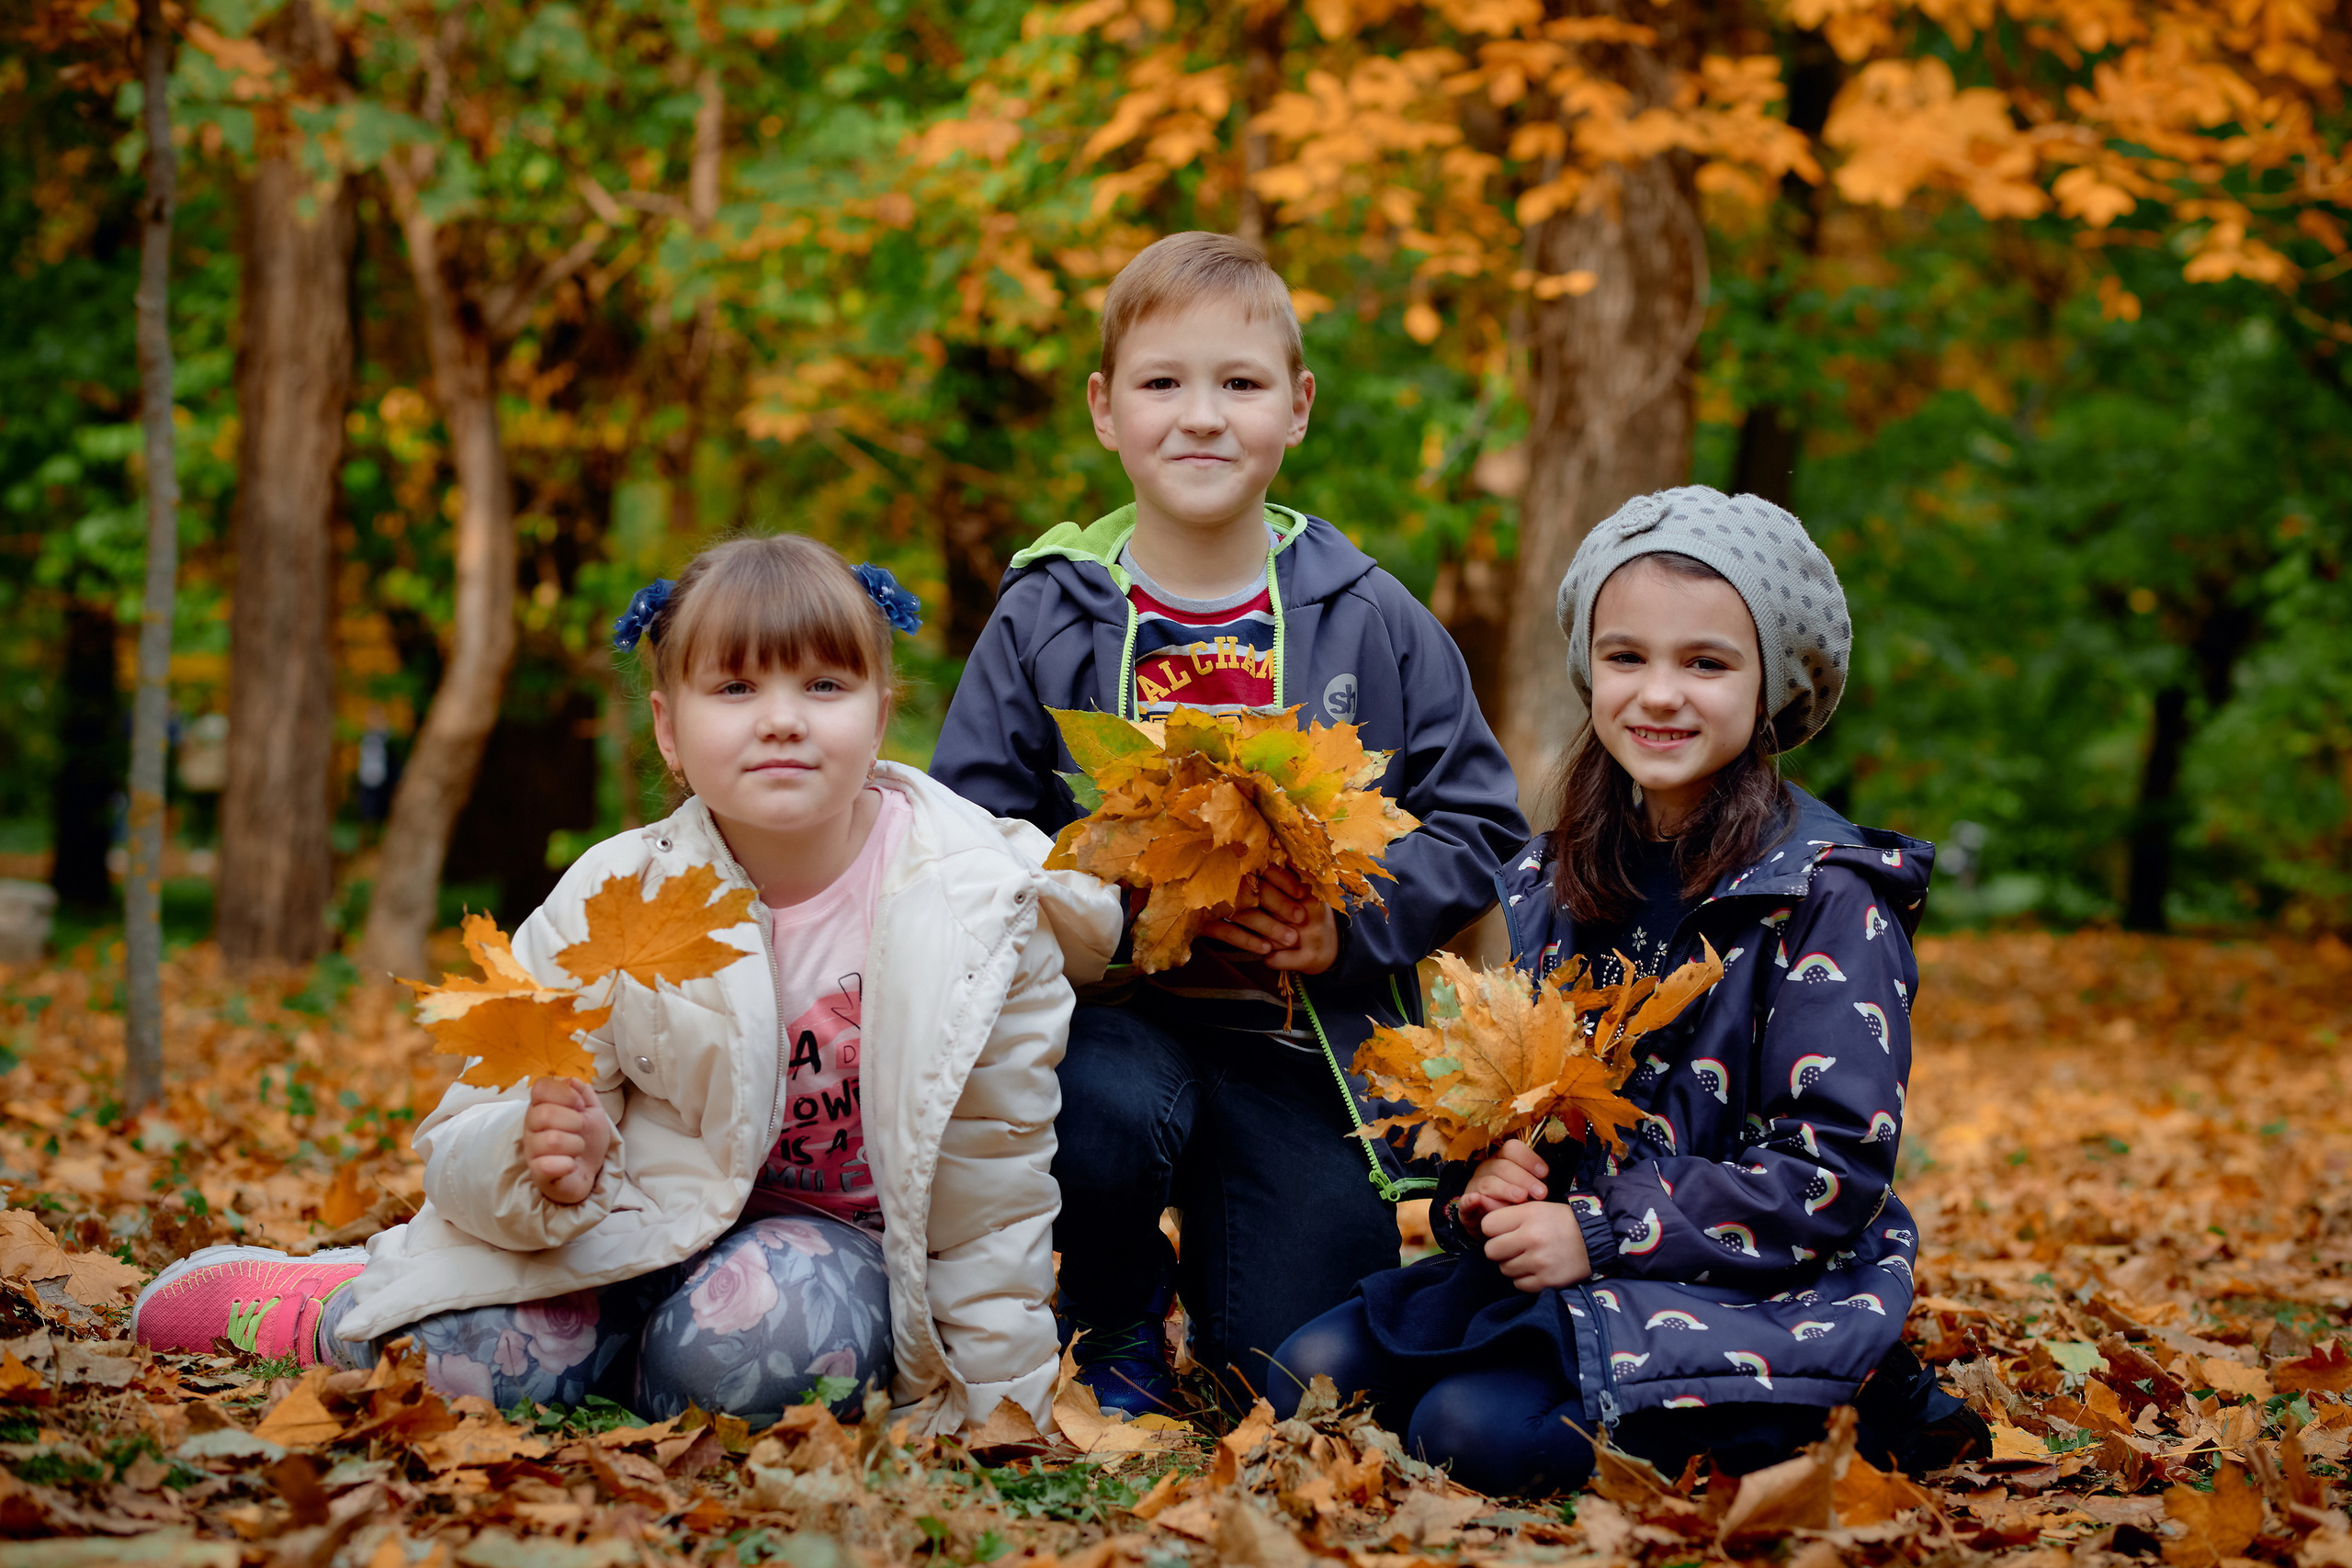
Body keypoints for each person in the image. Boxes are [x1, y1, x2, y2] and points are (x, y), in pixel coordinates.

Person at [133, 536, 1123, 1435]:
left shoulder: (977, 910)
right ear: (667, 728)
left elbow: (993, 1192)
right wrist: (536, 1159)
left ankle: (631, 1365)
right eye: (735, 688)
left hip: (831, 1257)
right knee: (460, 1365)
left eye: (825, 685)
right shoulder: (617, 898)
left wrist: (998, 1413)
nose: (782, 719)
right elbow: (471, 1123)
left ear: (880, 714)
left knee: (747, 1354)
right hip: (630, 1228)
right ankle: (329, 1309)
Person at [1268, 486, 1985, 1493]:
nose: (1658, 695)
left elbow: (1829, 1170)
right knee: (1305, 1373)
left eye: (1705, 663)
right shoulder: (1562, 874)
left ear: (1771, 684)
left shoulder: (1826, 895)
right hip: (1572, 1263)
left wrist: (1602, 1229)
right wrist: (1487, 1180)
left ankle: (1855, 1399)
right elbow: (1522, 1089)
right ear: (1588, 669)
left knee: (1468, 1432)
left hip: (1755, 1281)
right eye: (1626, 657)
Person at [932, 231, 1526, 1412]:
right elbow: (963, 834)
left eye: (1239, 383)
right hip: (1106, 1026)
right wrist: (1097, 902)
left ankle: (1236, 1277)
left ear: (1295, 408)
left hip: (1297, 1051)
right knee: (1100, 1108)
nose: (1200, 416)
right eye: (1162, 382)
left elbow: (1481, 822)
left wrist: (1350, 929)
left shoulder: (1370, 616)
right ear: (1105, 410)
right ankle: (1113, 1312)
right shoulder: (1049, 613)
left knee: (1296, 1379)